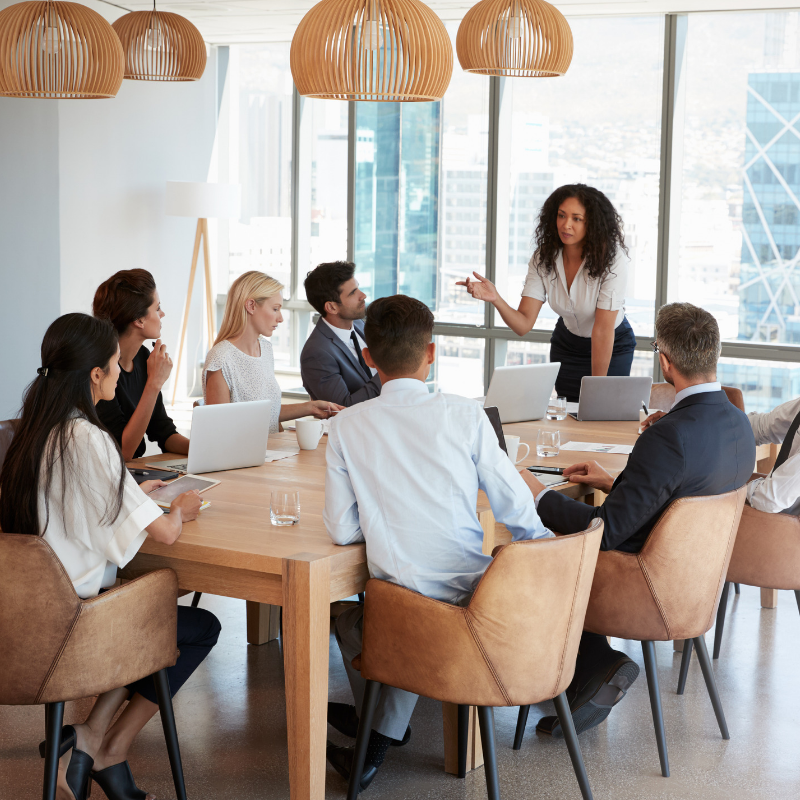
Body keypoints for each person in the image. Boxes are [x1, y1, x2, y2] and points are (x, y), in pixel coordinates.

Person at [322, 295, 552, 790]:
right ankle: (382, 734)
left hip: (409, 613)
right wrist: (550, 555)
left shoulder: (344, 427)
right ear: (432, 353)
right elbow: (517, 508)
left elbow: (341, 531)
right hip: (480, 602)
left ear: (367, 358)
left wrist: (387, 519)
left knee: (355, 617)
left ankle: (377, 736)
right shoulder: (466, 415)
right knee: (399, 607)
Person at [0, 313, 221, 800]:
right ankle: (107, 745)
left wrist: (135, 489)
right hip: (74, 631)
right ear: (94, 375)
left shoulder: (28, 434)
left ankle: (88, 741)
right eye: (117, 365)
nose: (124, 373)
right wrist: (181, 507)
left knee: (148, 613)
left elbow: (74, 502)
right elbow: (163, 532)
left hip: (20, 625)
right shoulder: (89, 439)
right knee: (197, 626)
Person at [521, 302, 755, 739]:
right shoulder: (737, 422)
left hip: (641, 583)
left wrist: (536, 495)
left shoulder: (671, 435)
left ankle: (595, 663)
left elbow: (604, 532)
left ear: (664, 360)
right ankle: (586, 669)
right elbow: (679, 501)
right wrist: (615, 481)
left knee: (527, 555)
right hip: (694, 583)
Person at [457, 184, 635, 402]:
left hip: (611, 344)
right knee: (568, 415)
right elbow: (523, 325)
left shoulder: (612, 259)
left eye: (576, 218)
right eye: (561, 215)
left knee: (602, 413)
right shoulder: (543, 257)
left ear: (593, 223)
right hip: (567, 345)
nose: (566, 224)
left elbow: (602, 330)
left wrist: (596, 391)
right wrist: (496, 298)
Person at [203, 271, 343, 429]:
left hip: (272, 450)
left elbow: (267, 414)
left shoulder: (265, 348)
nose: (281, 318)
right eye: (275, 309)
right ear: (251, 306)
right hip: (244, 453)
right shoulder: (221, 358)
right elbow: (218, 429)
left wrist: (311, 408)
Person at [93, 269, 189, 461]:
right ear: (138, 319)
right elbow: (123, 451)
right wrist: (154, 384)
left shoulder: (144, 357)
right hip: (110, 477)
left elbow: (163, 431)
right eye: (157, 308)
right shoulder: (100, 370)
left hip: (132, 473)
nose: (162, 314)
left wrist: (206, 450)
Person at [300, 261, 382, 406]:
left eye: (358, 288)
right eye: (352, 293)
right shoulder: (316, 353)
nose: (363, 295)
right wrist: (388, 372)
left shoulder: (359, 325)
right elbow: (342, 407)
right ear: (331, 307)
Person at [742, 398, 800, 514]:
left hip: (787, 525)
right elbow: (763, 427)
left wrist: (736, 490)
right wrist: (728, 425)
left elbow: (770, 499)